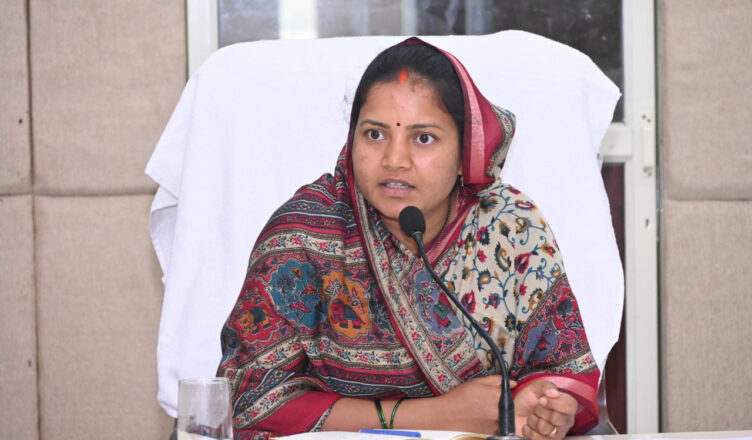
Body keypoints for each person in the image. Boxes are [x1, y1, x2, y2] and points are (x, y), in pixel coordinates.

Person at [217, 37, 600, 440]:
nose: (394, 160)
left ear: (465, 153)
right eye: (375, 134)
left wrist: (544, 408)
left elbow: (562, 375)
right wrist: (439, 416)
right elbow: (249, 402)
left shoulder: (510, 227)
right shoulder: (302, 235)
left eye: (423, 138)